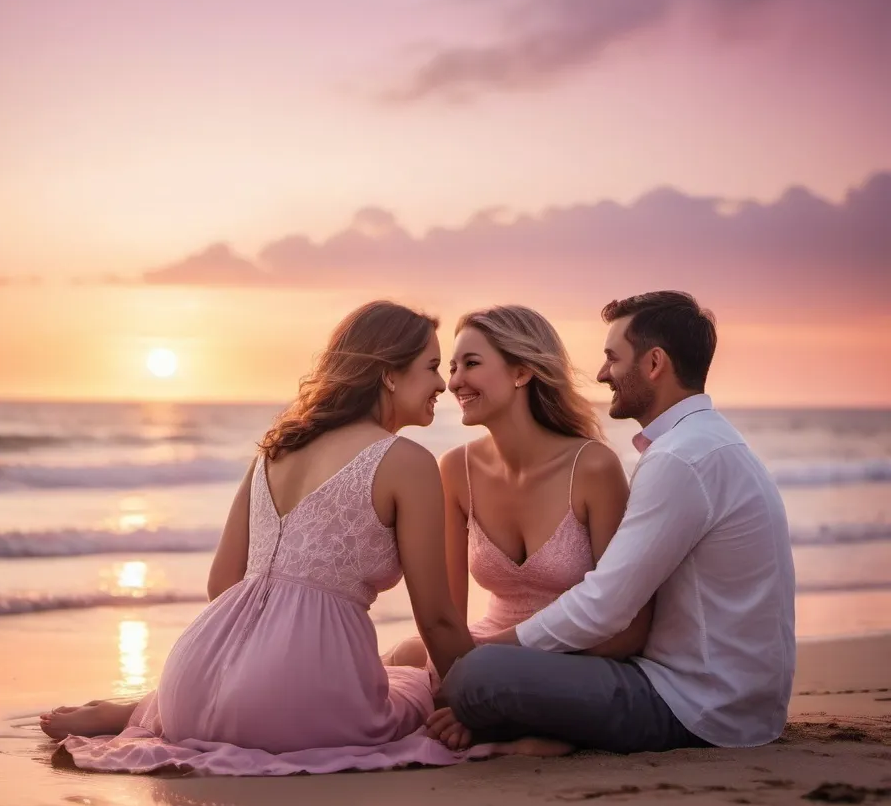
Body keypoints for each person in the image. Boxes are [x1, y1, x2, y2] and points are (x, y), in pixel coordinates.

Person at [41, 300, 487, 775]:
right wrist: (477, 706)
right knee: (414, 684)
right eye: (433, 367)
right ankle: (168, 704)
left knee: (347, 678)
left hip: (189, 685)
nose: (443, 383)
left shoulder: (276, 448)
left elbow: (222, 583)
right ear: (389, 374)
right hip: (303, 703)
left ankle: (144, 707)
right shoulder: (408, 463)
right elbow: (438, 620)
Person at [429, 291, 795, 754]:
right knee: (456, 670)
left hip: (695, 705)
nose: (601, 374)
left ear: (654, 363)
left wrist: (483, 653)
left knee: (478, 676)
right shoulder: (708, 443)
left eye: (612, 358)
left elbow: (606, 607)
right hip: (735, 701)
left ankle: (527, 734)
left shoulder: (680, 459)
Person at [385, 306, 649, 754]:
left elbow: (626, 631)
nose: (453, 382)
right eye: (450, 367)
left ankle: (515, 726)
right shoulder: (455, 469)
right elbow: (444, 618)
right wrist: (462, 685)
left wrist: (499, 678)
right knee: (405, 658)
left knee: (466, 689)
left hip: (574, 661)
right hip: (484, 655)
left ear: (522, 371)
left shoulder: (592, 467)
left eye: (471, 364)